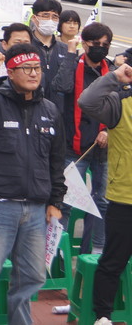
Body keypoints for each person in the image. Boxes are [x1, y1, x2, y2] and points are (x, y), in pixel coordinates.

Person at [0, 44, 66, 325]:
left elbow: (56, 161)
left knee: (33, 275)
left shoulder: (50, 110)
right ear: (10, 72)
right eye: (26, 69)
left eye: (37, 68)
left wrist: (56, 201)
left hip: (35, 209)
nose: (34, 74)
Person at [52, 22, 114, 254]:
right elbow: (61, 86)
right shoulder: (73, 64)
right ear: (85, 43)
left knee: (104, 202)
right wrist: (70, 54)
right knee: (66, 201)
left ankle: (96, 250)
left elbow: (120, 106)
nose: (100, 48)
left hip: (104, 148)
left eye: (105, 45)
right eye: (95, 44)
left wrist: (107, 129)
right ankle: (59, 253)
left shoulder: (113, 72)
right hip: (73, 146)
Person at [78, 64, 132, 325]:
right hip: (125, 197)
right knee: (114, 259)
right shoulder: (120, 101)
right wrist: (114, 77)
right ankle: (103, 315)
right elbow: (86, 101)